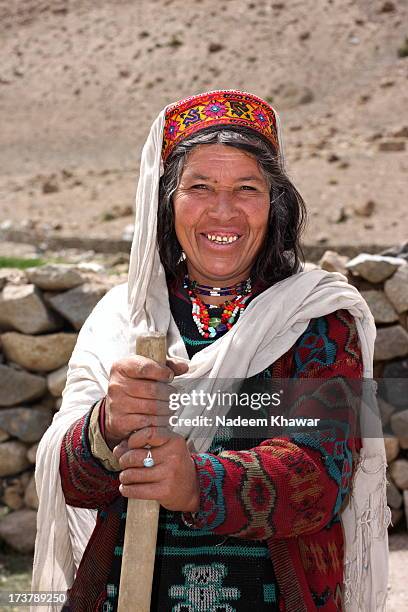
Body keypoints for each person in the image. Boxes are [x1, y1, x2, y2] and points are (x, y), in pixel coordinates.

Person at [32, 90, 389, 611]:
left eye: (246, 188)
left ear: (275, 204)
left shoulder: (317, 317)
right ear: (168, 201)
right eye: (199, 187)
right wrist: (106, 427)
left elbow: (323, 476)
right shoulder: (122, 321)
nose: (224, 212)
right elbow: (69, 482)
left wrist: (199, 483)